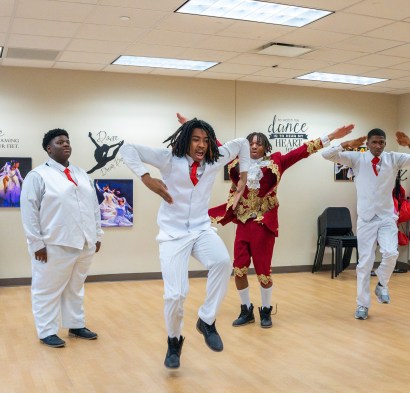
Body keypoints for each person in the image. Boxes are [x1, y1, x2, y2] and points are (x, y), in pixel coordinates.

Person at [198, 114, 354, 328]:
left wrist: (331, 136)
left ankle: (266, 310)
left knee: (263, 271)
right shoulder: (236, 162)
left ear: (265, 147)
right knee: (239, 269)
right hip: (243, 223)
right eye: (250, 143)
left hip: (263, 225)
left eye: (258, 143)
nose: (254, 146)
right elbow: (216, 145)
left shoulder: (277, 161)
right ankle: (246, 310)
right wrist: (194, 126)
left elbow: (303, 151)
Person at [120, 119, 249, 369]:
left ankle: (206, 320)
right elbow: (127, 149)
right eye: (195, 139)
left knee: (223, 262)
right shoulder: (169, 159)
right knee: (175, 294)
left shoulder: (215, 158)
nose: (201, 145)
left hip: (200, 229)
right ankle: (174, 341)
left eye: (205, 140)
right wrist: (147, 178)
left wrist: (243, 178)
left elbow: (242, 143)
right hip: (172, 234)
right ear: (186, 140)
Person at [321, 129, 410, 320]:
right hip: (366, 219)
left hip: (386, 217)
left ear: (385, 144)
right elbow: (326, 154)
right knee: (365, 263)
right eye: (374, 142)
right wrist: (346, 144)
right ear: (367, 143)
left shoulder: (393, 159)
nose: (378, 146)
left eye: (381, 142)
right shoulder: (357, 158)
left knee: (391, 253)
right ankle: (362, 305)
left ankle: (382, 284)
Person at [20, 129, 103, 348]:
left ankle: (75, 325)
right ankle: (47, 331)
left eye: (67, 141)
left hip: (84, 242)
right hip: (53, 243)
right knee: (47, 289)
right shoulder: (37, 176)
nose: (65, 144)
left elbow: (93, 206)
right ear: (49, 148)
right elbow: (29, 212)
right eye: (59, 142)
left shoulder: (81, 174)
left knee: (75, 287)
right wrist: (36, 243)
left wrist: (97, 234)